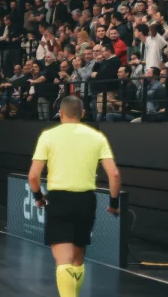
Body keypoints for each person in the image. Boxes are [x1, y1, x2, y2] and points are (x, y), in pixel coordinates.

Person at [27, 95, 122, 297]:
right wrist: (113, 203)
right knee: (77, 260)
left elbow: (33, 176)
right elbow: (114, 174)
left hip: (58, 200)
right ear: (83, 113)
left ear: (60, 113)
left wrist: (38, 197)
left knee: (63, 260)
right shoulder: (97, 137)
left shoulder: (48, 136)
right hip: (85, 201)